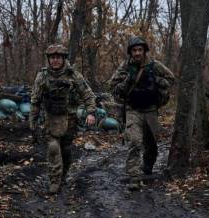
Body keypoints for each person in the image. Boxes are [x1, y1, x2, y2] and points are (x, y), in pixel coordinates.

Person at [109, 36, 175, 190]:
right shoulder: (125, 67)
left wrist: (155, 79)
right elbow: (112, 85)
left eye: (140, 50)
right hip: (133, 110)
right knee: (134, 141)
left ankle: (147, 167)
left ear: (144, 51)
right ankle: (134, 177)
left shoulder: (154, 65)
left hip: (151, 110)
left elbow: (171, 79)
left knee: (151, 144)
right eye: (134, 50)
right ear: (130, 52)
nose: (137, 53)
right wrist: (128, 80)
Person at [30, 44, 96, 194]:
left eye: (58, 58)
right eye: (52, 58)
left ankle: (63, 174)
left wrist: (91, 112)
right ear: (49, 59)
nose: (55, 61)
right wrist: (32, 121)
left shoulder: (74, 75)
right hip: (50, 118)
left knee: (65, 150)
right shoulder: (42, 76)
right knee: (53, 148)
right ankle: (54, 181)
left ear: (64, 59)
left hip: (69, 119)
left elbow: (88, 95)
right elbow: (35, 100)